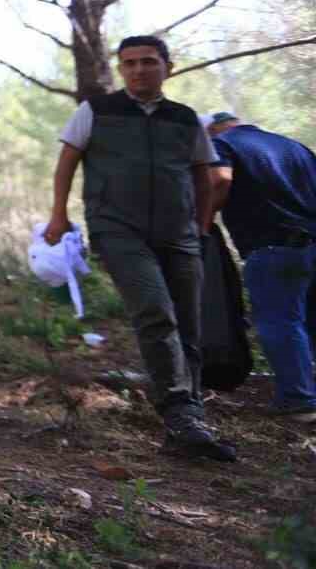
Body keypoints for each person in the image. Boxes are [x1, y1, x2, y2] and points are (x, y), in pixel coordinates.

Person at [45, 35, 234, 462]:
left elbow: (203, 175)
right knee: (155, 310)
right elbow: (66, 162)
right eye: (128, 63)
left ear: (167, 65)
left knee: (188, 324)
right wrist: (59, 215)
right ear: (121, 69)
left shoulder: (185, 120)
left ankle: (191, 416)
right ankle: (179, 414)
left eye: (148, 62)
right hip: (118, 231)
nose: (138, 70)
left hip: (179, 235)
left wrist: (202, 226)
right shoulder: (97, 111)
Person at [204, 112, 316, 422]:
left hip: (273, 246)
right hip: (311, 240)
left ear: (210, 132)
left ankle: (299, 401)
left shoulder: (222, 145)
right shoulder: (292, 146)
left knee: (279, 321)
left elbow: (220, 180)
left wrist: (201, 221)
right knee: (310, 320)